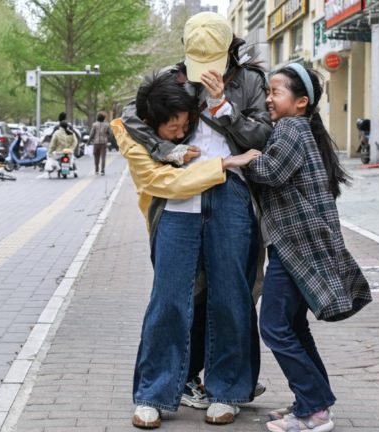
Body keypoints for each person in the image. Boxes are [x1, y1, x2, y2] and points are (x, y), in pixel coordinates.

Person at [116, 12, 273, 429]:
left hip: (231, 192)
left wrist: (224, 107)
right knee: (168, 295)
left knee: (231, 294)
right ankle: (153, 394)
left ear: (227, 50)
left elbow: (262, 136)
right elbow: (130, 118)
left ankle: (227, 390)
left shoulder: (249, 80)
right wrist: (166, 151)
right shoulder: (171, 78)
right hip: (179, 192)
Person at [243, 64, 372, 432]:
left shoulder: (290, 128)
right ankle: (312, 401)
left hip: (294, 246)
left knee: (273, 326)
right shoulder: (302, 129)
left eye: (276, 92)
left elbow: (271, 172)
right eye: (268, 92)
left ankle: (314, 411)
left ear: (301, 102)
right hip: (299, 243)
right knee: (294, 326)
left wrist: (246, 160)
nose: (268, 99)